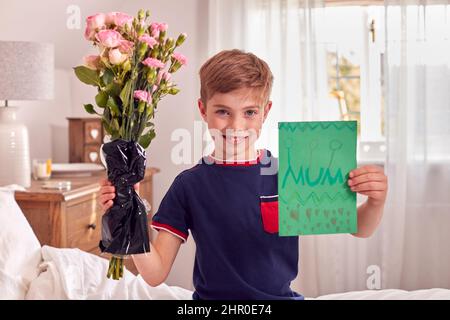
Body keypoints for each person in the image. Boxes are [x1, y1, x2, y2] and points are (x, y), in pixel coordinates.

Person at [99, 49, 388, 300]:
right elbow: (154, 272)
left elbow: (359, 228)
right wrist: (126, 216)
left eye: (249, 112)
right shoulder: (189, 185)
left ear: (266, 112)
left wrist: (375, 202)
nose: (236, 125)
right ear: (203, 109)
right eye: (223, 111)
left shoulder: (291, 175)